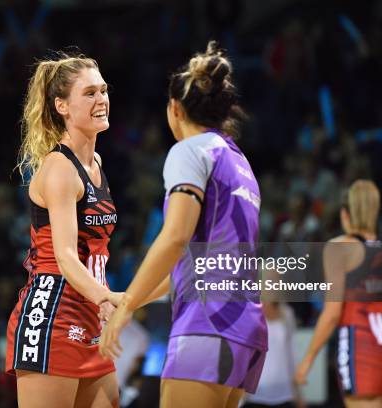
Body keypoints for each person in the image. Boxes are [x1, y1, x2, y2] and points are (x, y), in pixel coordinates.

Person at [99, 41, 268, 408]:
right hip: (245, 329)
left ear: (175, 109)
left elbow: (175, 237)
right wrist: (133, 296)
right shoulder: (240, 164)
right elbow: (190, 264)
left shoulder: (189, 151)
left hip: (207, 322)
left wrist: (127, 306)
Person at [4, 51, 119, 408]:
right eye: (89, 93)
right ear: (62, 106)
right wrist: (108, 297)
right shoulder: (60, 169)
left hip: (88, 316)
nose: (101, 100)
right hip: (51, 316)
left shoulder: (96, 163)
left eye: (103, 91)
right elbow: (67, 257)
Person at [294, 180, 382, 408]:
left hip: (362, 348)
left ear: (345, 214)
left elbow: (331, 314)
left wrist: (307, 360)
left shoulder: (339, 248)